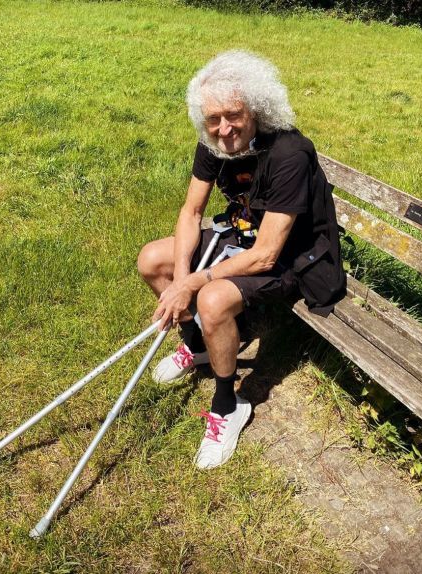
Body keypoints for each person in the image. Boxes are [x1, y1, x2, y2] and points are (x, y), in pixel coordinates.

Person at [137, 50, 345, 470]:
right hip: (243, 233)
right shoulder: (215, 143)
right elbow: (191, 212)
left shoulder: (289, 154)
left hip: (292, 255)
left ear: (257, 109)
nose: (224, 128)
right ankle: (198, 345)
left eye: (234, 115)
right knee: (152, 259)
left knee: (212, 299)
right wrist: (181, 277)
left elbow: (266, 255)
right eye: (213, 119)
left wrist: (192, 285)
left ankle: (228, 406)